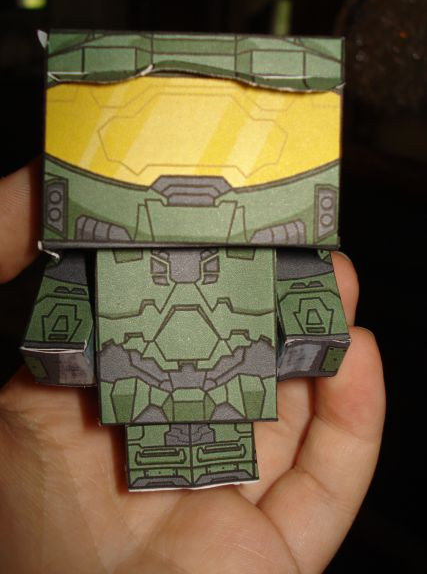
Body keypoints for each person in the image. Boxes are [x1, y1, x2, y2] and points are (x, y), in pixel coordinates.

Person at [0, 158, 385, 574]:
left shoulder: (264, 223)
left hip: (217, 362)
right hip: (158, 363)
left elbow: (304, 274)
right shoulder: (108, 222)